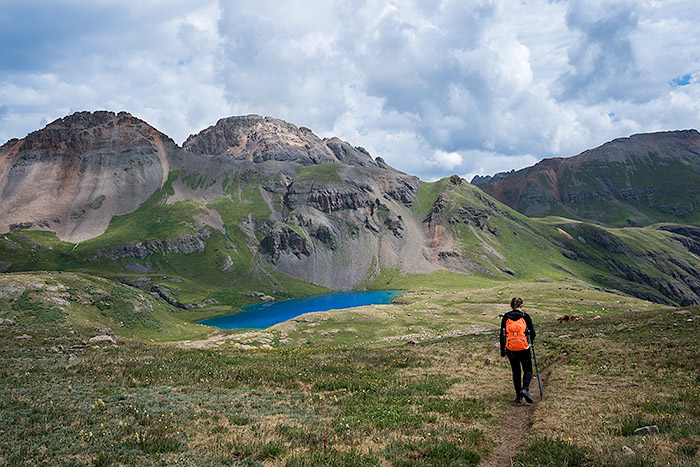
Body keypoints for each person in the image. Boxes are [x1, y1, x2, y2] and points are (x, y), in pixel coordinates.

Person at [500, 297, 536, 403]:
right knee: (528, 369)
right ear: (521, 306)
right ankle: (525, 389)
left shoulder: (506, 317)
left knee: (516, 371)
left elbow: (502, 334)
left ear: (511, 306)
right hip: (524, 348)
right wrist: (529, 338)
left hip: (510, 348)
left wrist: (503, 350)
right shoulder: (525, 316)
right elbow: (533, 334)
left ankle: (518, 397)